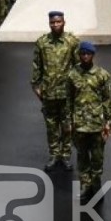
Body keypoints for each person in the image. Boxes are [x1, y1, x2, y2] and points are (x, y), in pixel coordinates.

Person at [32, 11, 79, 171]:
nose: (55, 25)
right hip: (49, 92)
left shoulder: (71, 42)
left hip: (66, 93)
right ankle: (54, 155)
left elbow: (78, 66)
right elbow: (37, 66)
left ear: (64, 22)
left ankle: (65, 156)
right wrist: (36, 86)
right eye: (52, 22)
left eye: (58, 22)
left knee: (67, 127)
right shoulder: (42, 42)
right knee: (51, 126)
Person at [67, 41, 111, 202]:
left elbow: (107, 100)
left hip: (96, 124)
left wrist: (108, 122)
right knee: (82, 156)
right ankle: (85, 184)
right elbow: (69, 99)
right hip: (79, 124)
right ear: (79, 55)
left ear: (93, 55)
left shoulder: (102, 75)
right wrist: (69, 121)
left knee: (98, 157)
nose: (85, 56)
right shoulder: (72, 74)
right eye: (82, 54)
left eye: (88, 54)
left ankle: (96, 182)